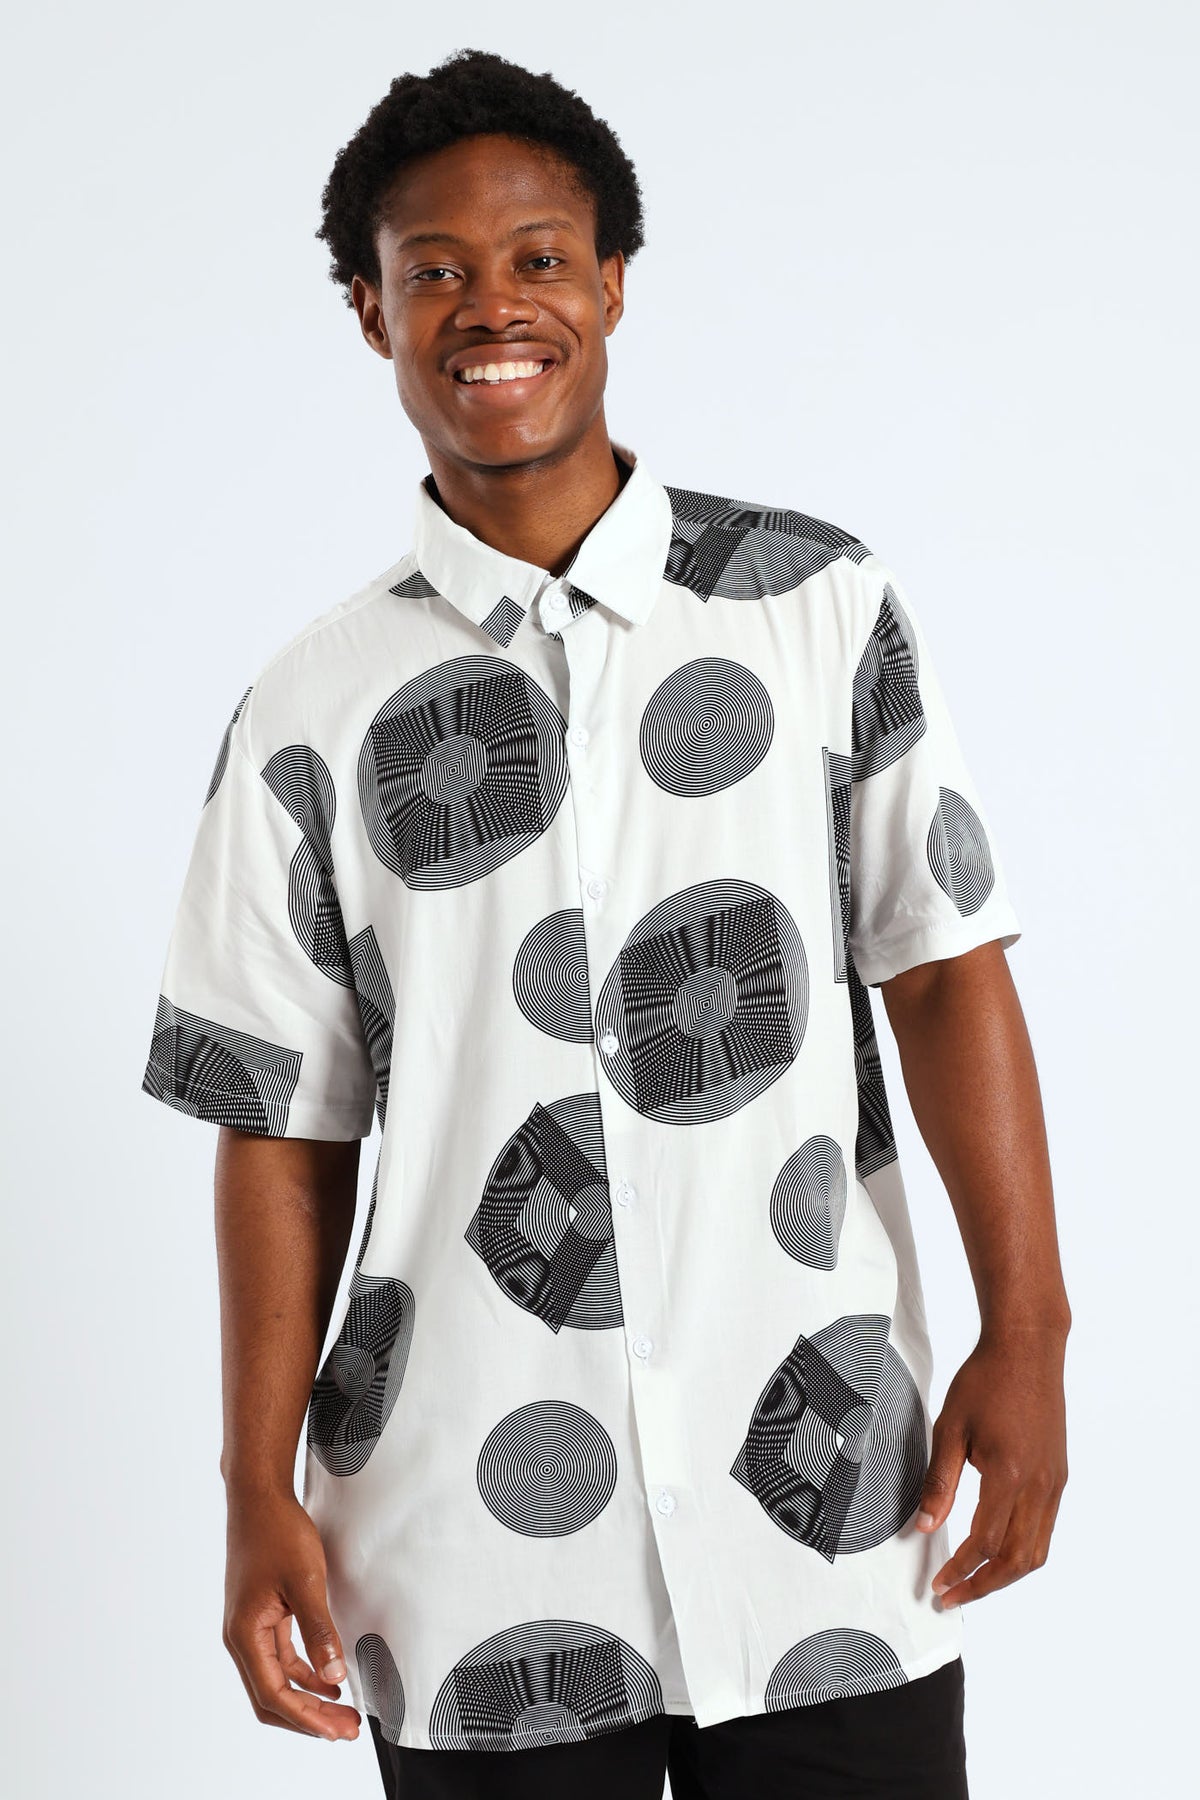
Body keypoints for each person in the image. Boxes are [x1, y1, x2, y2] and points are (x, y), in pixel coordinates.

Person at [140, 46, 1071, 1800]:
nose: (492, 307)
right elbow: (277, 1123)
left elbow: (946, 969)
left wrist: (1029, 1331)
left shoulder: (816, 606)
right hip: (465, 1556)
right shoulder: (305, 714)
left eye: (540, 258)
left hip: (823, 1515)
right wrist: (254, 1488)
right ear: (372, 311)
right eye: (434, 270)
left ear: (614, 281)